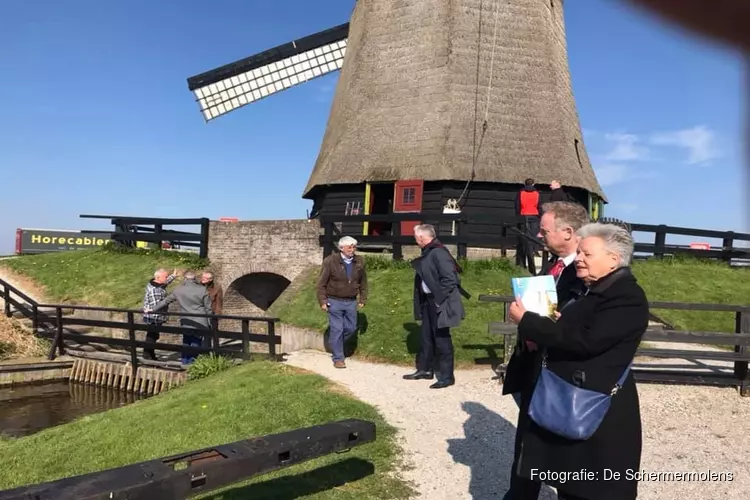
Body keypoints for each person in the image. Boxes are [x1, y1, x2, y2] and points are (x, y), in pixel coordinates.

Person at [507, 223, 649, 500]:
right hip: (570, 396)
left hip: (594, 403)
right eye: (580, 252)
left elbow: (587, 341)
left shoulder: (627, 297)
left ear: (613, 259)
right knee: (570, 482)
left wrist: (528, 321)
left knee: (593, 487)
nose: (580, 258)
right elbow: (581, 330)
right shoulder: (594, 290)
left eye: (587, 254)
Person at [502, 201, 590, 500]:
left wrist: (528, 321)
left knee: (557, 447)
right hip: (536, 365)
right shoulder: (553, 266)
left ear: (567, 232)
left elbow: (570, 326)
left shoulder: (584, 273)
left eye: (544, 230)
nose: (539, 236)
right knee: (528, 442)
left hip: (558, 372)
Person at [403, 224, 465, 389]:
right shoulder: (429, 251)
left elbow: (450, 279)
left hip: (439, 301)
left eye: (416, 238)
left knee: (441, 338)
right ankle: (425, 369)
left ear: (422, 237)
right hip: (428, 300)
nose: (416, 241)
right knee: (426, 336)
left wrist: (439, 299)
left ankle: (447, 376)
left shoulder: (438, 252)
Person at [316, 236, 368, 368]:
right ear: (341, 248)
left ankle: (335, 343)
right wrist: (323, 301)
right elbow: (321, 284)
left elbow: (363, 281)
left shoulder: (359, 261)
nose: (352, 249)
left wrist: (363, 297)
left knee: (351, 328)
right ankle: (338, 358)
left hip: (351, 301)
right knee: (337, 329)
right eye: (349, 247)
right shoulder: (330, 261)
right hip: (334, 301)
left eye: (354, 247)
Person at [146, 270, 214, 365]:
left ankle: (185, 362)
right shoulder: (202, 290)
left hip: (185, 320)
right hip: (200, 320)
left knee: (186, 341)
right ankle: (192, 364)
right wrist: (210, 322)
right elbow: (208, 308)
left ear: (185, 279)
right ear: (194, 279)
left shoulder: (178, 290)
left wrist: (152, 309)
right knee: (196, 341)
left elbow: (165, 301)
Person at [141, 268, 179, 360]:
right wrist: (169, 300)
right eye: (165, 277)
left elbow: (165, 283)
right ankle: (148, 355)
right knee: (152, 336)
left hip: (153, 316)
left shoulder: (156, 284)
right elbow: (156, 307)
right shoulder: (155, 291)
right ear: (158, 277)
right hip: (154, 317)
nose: (166, 278)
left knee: (153, 336)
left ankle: (150, 354)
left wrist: (173, 276)